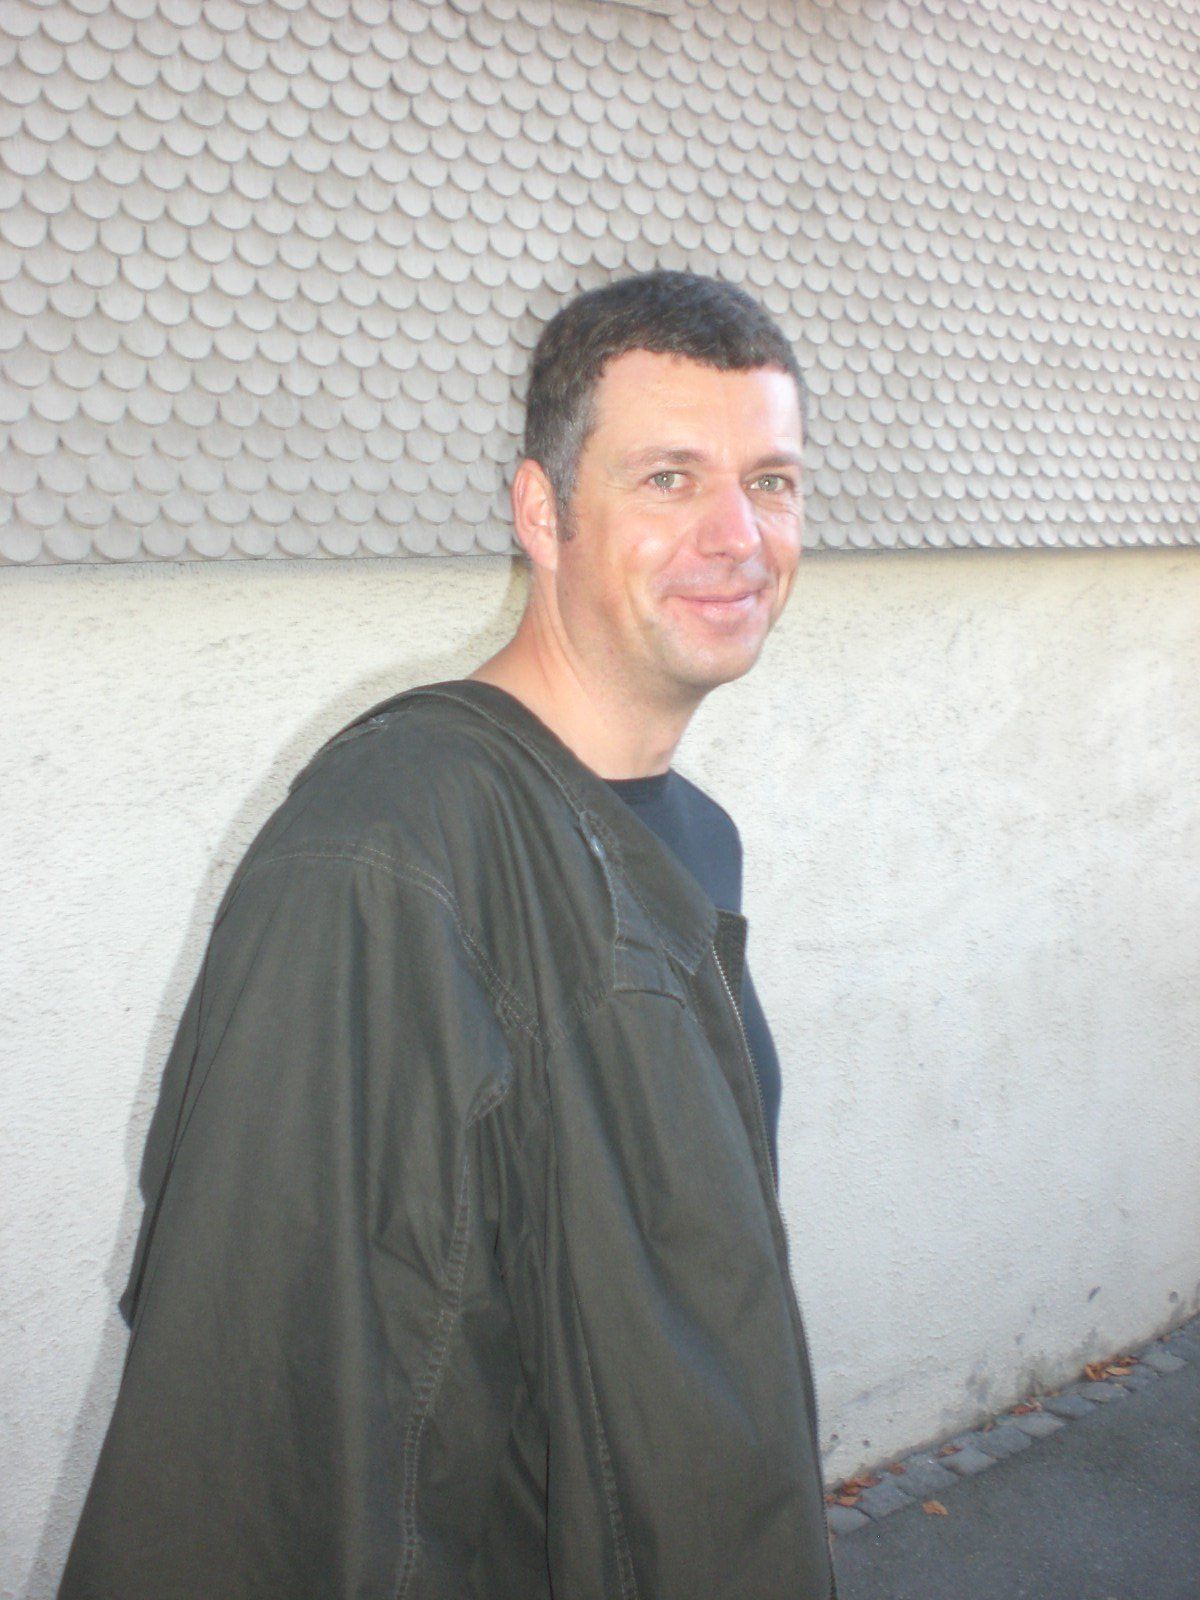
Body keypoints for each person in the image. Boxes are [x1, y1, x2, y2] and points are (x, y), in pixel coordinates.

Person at [59, 271, 836, 1599]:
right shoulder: (384, 861)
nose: (738, 536)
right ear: (542, 511)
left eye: (771, 482)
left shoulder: (689, 838)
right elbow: (264, 1448)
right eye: (668, 479)